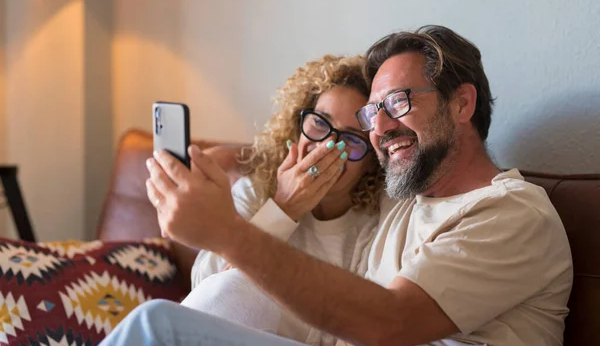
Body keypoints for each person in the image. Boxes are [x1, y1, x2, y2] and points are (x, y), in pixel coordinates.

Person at [101, 25, 573, 346]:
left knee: (155, 325)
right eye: (374, 113)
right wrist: (267, 204)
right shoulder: (406, 207)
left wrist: (227, 232)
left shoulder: (512, 212)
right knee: (183, 316)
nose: (379, 128)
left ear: (462, 104)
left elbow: (390, 321)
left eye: (399, 102)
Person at [179, 54, 383, 345]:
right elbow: (207, 292)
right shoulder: (256, 190)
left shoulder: (372, 231)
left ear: (371, 162)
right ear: (298, 124)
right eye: (320, 123)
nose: (326, 147)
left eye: (350, 140)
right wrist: (283, 208)